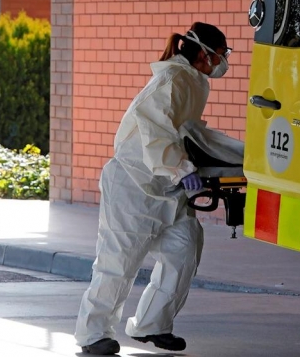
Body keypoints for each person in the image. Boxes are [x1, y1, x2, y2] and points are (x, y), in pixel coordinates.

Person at [74, 22, 232, 355]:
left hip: (167, 187)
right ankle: (93, 334)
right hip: (134, 185)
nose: (222, 61)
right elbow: (155, 128)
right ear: (204, 53)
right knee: (118, 263)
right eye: (220, 54)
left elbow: (184, 132)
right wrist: (181, 169)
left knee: (184, 249)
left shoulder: (192, 81)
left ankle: (151, 324)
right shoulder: (173, 79)